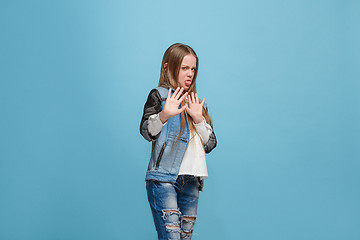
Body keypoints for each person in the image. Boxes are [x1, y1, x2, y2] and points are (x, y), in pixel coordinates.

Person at [140, 43, 217, 240]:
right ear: (168, 67)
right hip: (164, 180)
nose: (190, 73)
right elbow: (147, 132)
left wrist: (199, 118)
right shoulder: (160, 96)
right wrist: (164, 115)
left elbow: (210, 144)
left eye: (193, 69)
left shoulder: (198, 104)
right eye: (184, 68)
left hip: (192, 181)